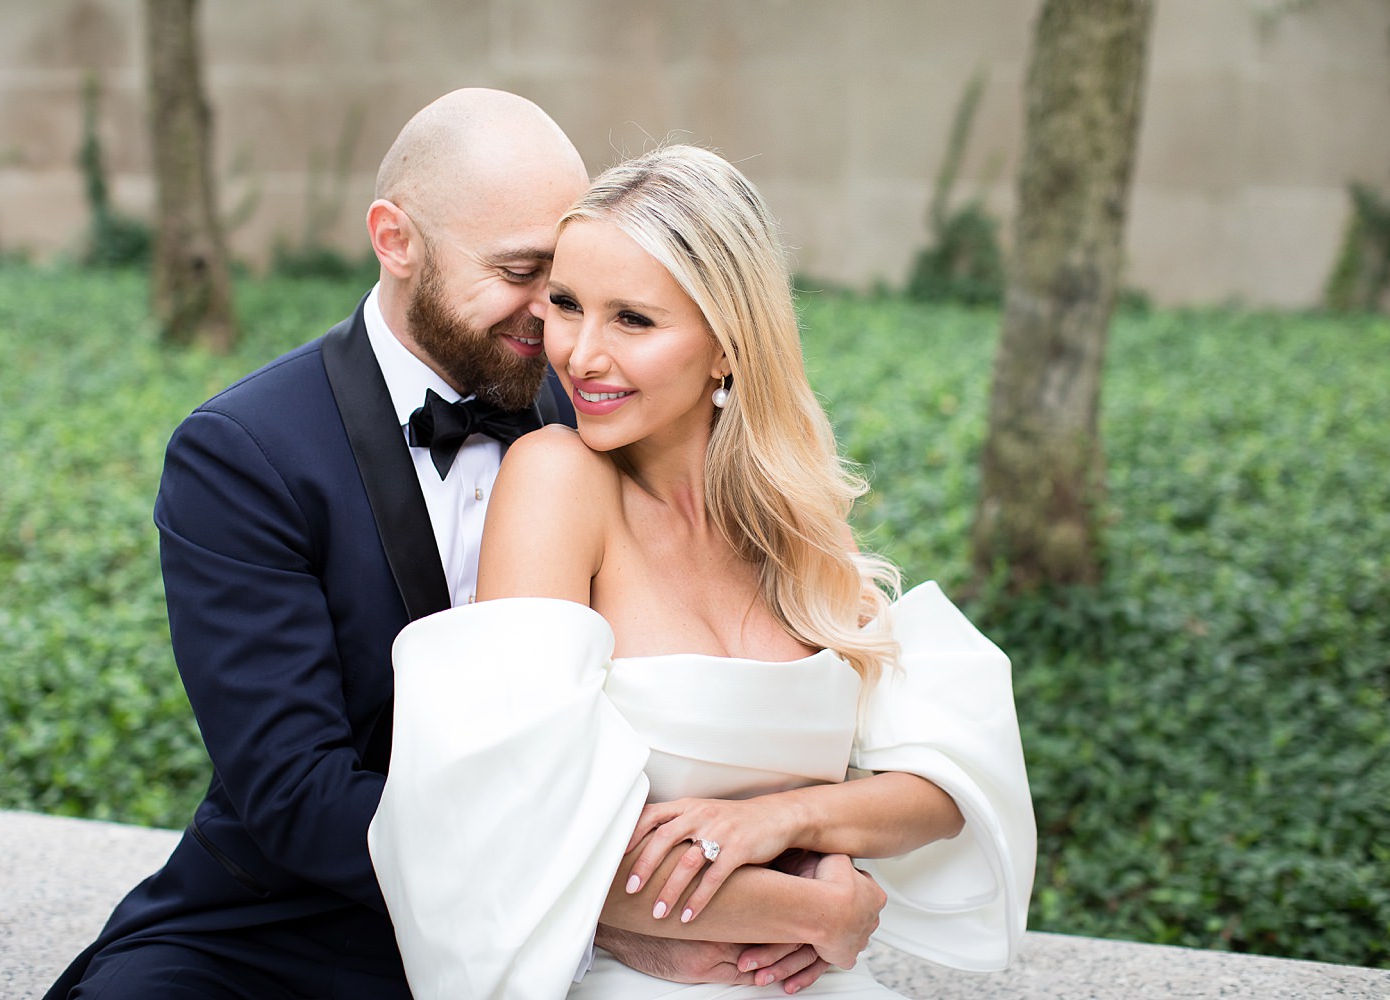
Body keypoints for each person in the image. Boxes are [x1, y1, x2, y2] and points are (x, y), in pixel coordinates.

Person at [46, 90, 815, 1000]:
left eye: (567, 279)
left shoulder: (613, 405)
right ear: (395, 239)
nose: (556, 321)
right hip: (297, 924)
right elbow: (297, 794)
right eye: (524, 271)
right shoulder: (244, 453)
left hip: (584, 934)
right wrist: (601, 910)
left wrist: (804, 859)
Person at [368, 145, 1037, 998]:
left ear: (727, 345)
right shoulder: (557, 479)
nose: (579, 354)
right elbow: (508, 837)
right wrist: (815, 912)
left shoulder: (790, 521)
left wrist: (787, 818)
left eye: (633, 320)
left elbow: (948, 778)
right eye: (567, 306)